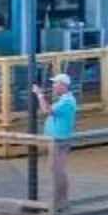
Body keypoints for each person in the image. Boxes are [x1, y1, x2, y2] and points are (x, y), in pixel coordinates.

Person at [40, 70, 77, 204]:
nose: (53, 86)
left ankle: (60, 199)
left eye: (55, 84)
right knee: (56, 169)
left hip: (59, 139)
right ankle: (61, 199)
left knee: (56, 169)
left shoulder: (67, 101)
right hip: (55, 139)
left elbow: (47, 110)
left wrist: (39, 96)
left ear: (63, 85)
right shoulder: (63, 100)